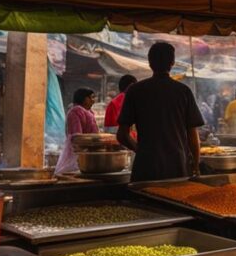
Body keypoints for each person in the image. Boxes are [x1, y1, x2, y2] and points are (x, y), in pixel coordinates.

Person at [117, 43, 204, 182]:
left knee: (144, 203)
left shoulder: (135, 91)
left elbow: (122, 135)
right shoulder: (183, 91)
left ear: (150, 63)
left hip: (146, 168)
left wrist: (140, 150)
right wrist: (196, 165)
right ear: (172, 63)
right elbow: (193, 135)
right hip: (177, 167)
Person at [54, 88, 100, 174]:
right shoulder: (75, 111)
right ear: (83, 98)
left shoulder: (88, 112)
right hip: (79, 152)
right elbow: (76, 136)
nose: (93, 101)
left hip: (89, 150)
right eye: (91, 97)